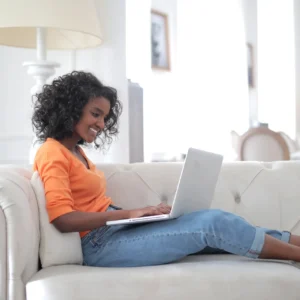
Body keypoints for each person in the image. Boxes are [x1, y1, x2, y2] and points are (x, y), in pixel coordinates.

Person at [32, 71, 300, 268]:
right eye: (95, 114)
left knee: (217, 221)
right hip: (99, 245)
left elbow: (92, 205)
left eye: (104, 117)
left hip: (114, 231)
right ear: (71, 109)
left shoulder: (77, 152)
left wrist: (140, 216)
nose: (101, 124)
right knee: (212, 223)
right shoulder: (51, 151)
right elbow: (63, 219)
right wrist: (131, 213)